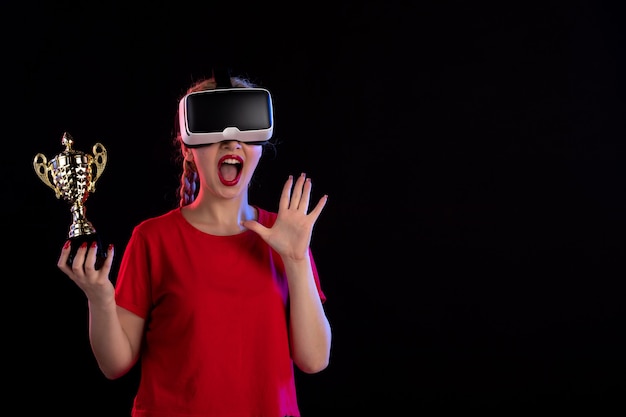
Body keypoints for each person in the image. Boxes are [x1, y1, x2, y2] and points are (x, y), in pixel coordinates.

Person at [57, 71, 332, 417]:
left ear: (259, 148)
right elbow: (115, 364)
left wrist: (295, 259)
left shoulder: (286, 235)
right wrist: (99, 299)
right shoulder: (152, 239)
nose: (232, 143)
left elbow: (315, 359)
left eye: (243, 130)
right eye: (214, 128)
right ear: (187, 148)